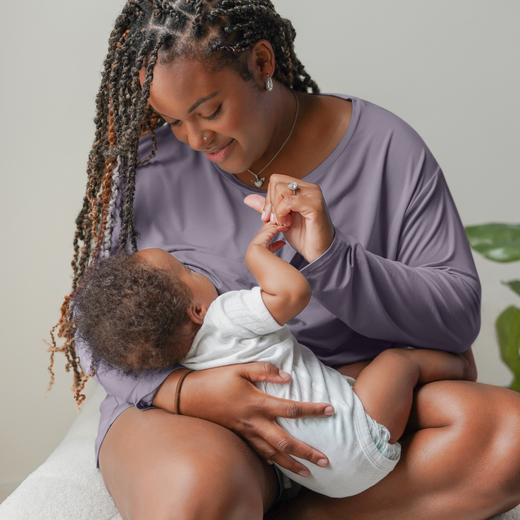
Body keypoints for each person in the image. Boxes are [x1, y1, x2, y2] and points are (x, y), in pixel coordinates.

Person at [48, 1, 520, 518]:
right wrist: (185, 392)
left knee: (511, 442)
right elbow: (92, 326)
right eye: (173, 120)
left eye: (209, 111)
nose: (194, 139)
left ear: (262, 63)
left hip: (341, 403)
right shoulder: (149, 168)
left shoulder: (387, 148)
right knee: (194, 495)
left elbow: (455, 321)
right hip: (193, 416)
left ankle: (307, 509)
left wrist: (332, 257)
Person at [73, 222, 475, 498]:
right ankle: (458, 366)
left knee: (347, 375)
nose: (199, 271)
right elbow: (291, 293)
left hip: (316, 476)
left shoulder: (183, 361)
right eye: (188, 271)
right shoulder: (223, 316)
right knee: (396, 362)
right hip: (361, 436)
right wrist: (257, 254)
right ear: (196, 311)